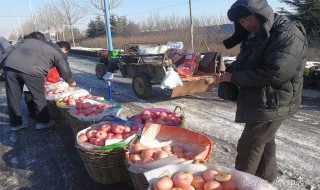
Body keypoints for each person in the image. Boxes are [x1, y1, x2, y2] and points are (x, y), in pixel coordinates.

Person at [220, 0, 308, 183]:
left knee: (249, 147)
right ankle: (265, 181)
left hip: (275, 100)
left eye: (248, 19)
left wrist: (234, 78)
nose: (246, 24)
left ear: (261, 13)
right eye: (241, 22)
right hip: (264, 98)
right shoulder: (258, 33)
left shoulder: (287, 34)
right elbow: (247, 59)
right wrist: (229, 70)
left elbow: (276, 72)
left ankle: (240, 185)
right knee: (264, 142)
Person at [3, 32, 76, 131]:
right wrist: (70, 80)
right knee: (38, 96)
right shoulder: (52, 46)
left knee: (13, 97)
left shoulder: (24, 42)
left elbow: (7, 51)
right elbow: (62, 63)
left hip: (9, 68)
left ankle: (16, 124)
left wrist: (4, 64)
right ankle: (42, 122)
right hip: (32, 71)